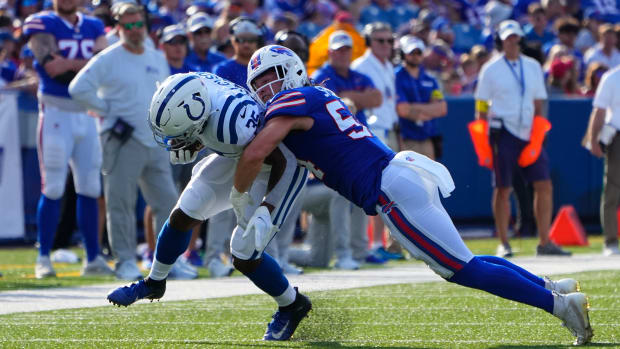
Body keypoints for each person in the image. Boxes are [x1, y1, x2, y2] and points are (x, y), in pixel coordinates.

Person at [234, 44, 593, 345]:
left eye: (273, 77)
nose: (267, 89)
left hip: (391, 189)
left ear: (293, 71)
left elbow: (254, 153)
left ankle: (559, 305)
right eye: (260, 84)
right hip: (398, 177)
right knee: (466, 259)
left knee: (462, 270)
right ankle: (551, 287)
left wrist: (238, 196)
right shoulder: (318, 94)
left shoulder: (294, 100)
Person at [106, 72, 310, 341]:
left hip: (275, 166)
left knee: (243, 251)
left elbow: (275, 156)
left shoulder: (233, 124)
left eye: (179, 134)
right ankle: (154, 282)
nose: (174, 141)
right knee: (184, 212)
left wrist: (263, 203)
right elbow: (222, 136)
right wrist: (198, 139)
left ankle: (292, 304)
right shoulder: (191, 85)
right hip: (242, 153)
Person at [68, 3, 193, 280]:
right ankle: (124, 260)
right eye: (129, 25)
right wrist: (106, 110)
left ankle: (168, 262)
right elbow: (77, 88)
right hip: (121, 139)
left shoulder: (155, 57)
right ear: (119, 27)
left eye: (139, 24)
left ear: (145, 25)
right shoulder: (108, 58)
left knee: (169, 203)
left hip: (155, 140)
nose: (135, 30)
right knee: (120, 203)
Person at [23, 0, 112, 278]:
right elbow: (52, 69)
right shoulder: (42, 23)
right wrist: (86, 66)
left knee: (89, 187)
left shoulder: (94, 24)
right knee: (53, 187)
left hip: (87, 114)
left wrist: (70, 63)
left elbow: (103, 66)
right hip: (55, 113)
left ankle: (94, 257)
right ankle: (43, 257)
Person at [474, 20, 570, 258]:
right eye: (508, 38)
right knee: (503, 188)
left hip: (528, 131)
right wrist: (483, 133)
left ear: (521, 39)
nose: (512, 41)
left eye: (515, 37)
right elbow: (482, 104)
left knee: (544, 184)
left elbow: (538, 101)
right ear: (500, 41)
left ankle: (545, 241)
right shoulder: (491, 68)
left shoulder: (533, 66)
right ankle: (504, 242)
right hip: (502, 130)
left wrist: (539, 131)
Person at [351, 22, 399, 263]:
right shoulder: (360, 66)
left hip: (387, 130)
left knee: (387, 189)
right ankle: (373, 243)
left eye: (389, 41)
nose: (386, 45)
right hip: (370, 133)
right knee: (376, 189)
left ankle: (383, 243)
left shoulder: (388, 65)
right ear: (369, 42)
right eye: (380, 40)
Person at [585, 66, 620, 256]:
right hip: (617, 137)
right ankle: (611, 240)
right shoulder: (612, 77)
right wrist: (593, 140)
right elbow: (599, 111)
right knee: (613, 189)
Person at [395, 35, 447, 160]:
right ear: (403, 54)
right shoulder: (395, 76)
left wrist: (414, 108)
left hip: (427, 138)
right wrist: (430, 109)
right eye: (411, 52)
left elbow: (442, 108)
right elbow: (402, 110)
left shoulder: (430, 79)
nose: (415, 55)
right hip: (405, 138)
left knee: (429, 177)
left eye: (419, 52)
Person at [213, 16, 263, 88]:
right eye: (241, 39)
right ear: (232, 41)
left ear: (257, 41)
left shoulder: (265, 68)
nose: (246, 44)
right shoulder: (223, 69)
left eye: (251, 39)